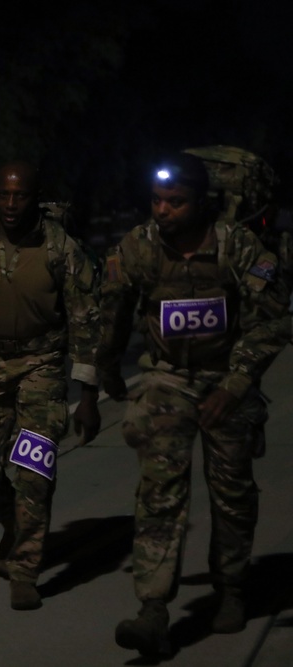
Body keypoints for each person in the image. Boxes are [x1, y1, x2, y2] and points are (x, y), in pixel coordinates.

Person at [98, 153, 291, 657]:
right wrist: (105, 367)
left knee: (232, 492)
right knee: (159, 492)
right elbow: (113, 310)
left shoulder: (239, 247)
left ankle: (231, 586)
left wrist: (236, 383)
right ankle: (154, 608)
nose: (163, 211)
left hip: (227, 377)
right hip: (168, 378)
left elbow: (270, 321)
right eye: (158, 201)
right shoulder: (138, 247)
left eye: (176, 203)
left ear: (200, 203)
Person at [0, 160, 101, 611]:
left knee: (34, 472)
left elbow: (86, 322)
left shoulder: (61, 248)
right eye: (3, 195)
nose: (10, 204)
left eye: (20, 195)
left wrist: (87, 394)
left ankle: (25, 567)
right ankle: (16, 522)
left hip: (41, 365)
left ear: (34, 197)